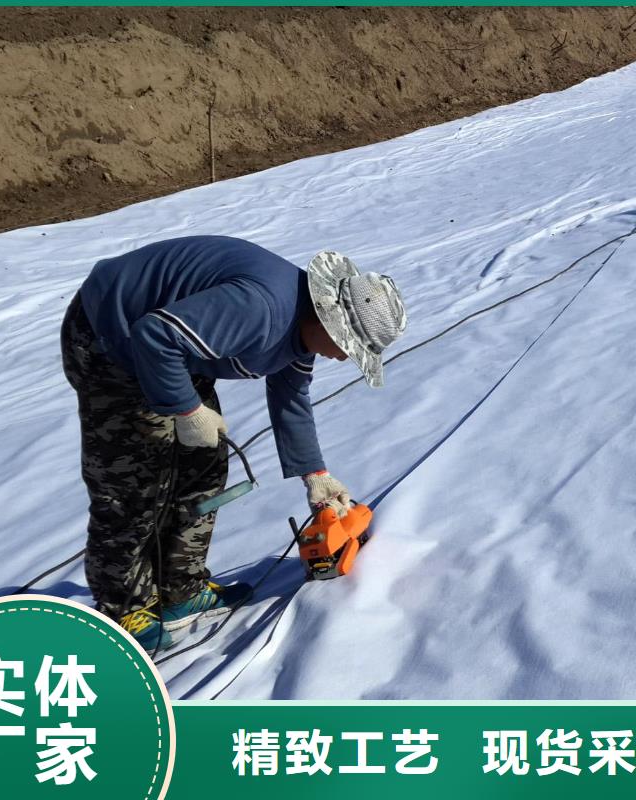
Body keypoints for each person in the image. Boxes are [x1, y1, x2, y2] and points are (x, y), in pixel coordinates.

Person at [61, 236, 407, 652]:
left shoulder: (301, 329)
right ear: (329, 322)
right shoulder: (260, 309)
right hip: (111, 336)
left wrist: (315, 474)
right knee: (134, 483)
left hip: (173, 347)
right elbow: (154, 335)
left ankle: (182, 590)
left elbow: (291, 397)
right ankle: (124, 610)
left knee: (204, 466)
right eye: (348, 347)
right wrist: (188, 410)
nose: (344, 357)